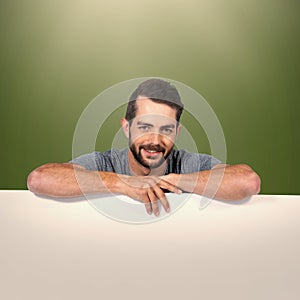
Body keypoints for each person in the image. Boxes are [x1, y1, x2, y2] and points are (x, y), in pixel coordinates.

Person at [27, 78, 261, 216]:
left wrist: (170, 181)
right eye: (145, 127)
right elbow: (39, 179)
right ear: (126, 127)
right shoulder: (105, 163)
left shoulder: (190, 164)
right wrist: (122, 182)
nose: (155, 140)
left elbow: (248, 182)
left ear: (177, 132)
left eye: (166, 129)